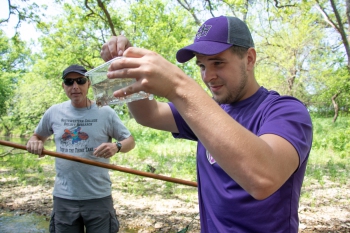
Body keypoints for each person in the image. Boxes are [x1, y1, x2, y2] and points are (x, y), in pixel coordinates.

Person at [100, 16, 313, 233]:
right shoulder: (206, 110)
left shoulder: (285, 111)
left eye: (218, 63)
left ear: (249, 59)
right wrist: (126, 70)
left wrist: (178, 85)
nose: (208, 76)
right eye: (201, 65)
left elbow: (263, 178)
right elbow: (149, 115)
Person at [26, 64, 135, 233]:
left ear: (88, 83)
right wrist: (35, 142)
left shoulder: (105, 112)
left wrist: (116, 146)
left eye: (80, 80)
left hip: (98, 196)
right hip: (64, 197)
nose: (75, 86)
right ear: (63, 86)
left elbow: (130, 141)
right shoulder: (54, 112)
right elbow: (37, 136)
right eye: (69, 82)